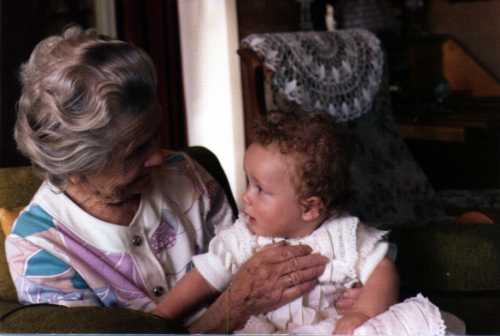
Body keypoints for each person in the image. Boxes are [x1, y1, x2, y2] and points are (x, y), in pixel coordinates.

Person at [5, 27, 340, 333]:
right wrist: (229, 309)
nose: (159, 157)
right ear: (77, 168)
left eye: (156, 135)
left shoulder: (186, 174)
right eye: (136, 151)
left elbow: (257, 256)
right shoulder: (40, 251)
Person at [154, 111, 400, 334]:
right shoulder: (244, 237)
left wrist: (363, 311)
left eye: (260, 188)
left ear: (310, 207)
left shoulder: (342, 234)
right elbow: (204, 276)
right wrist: (159, 318)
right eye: (248, 182)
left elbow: (382, 270)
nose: (246, 196)